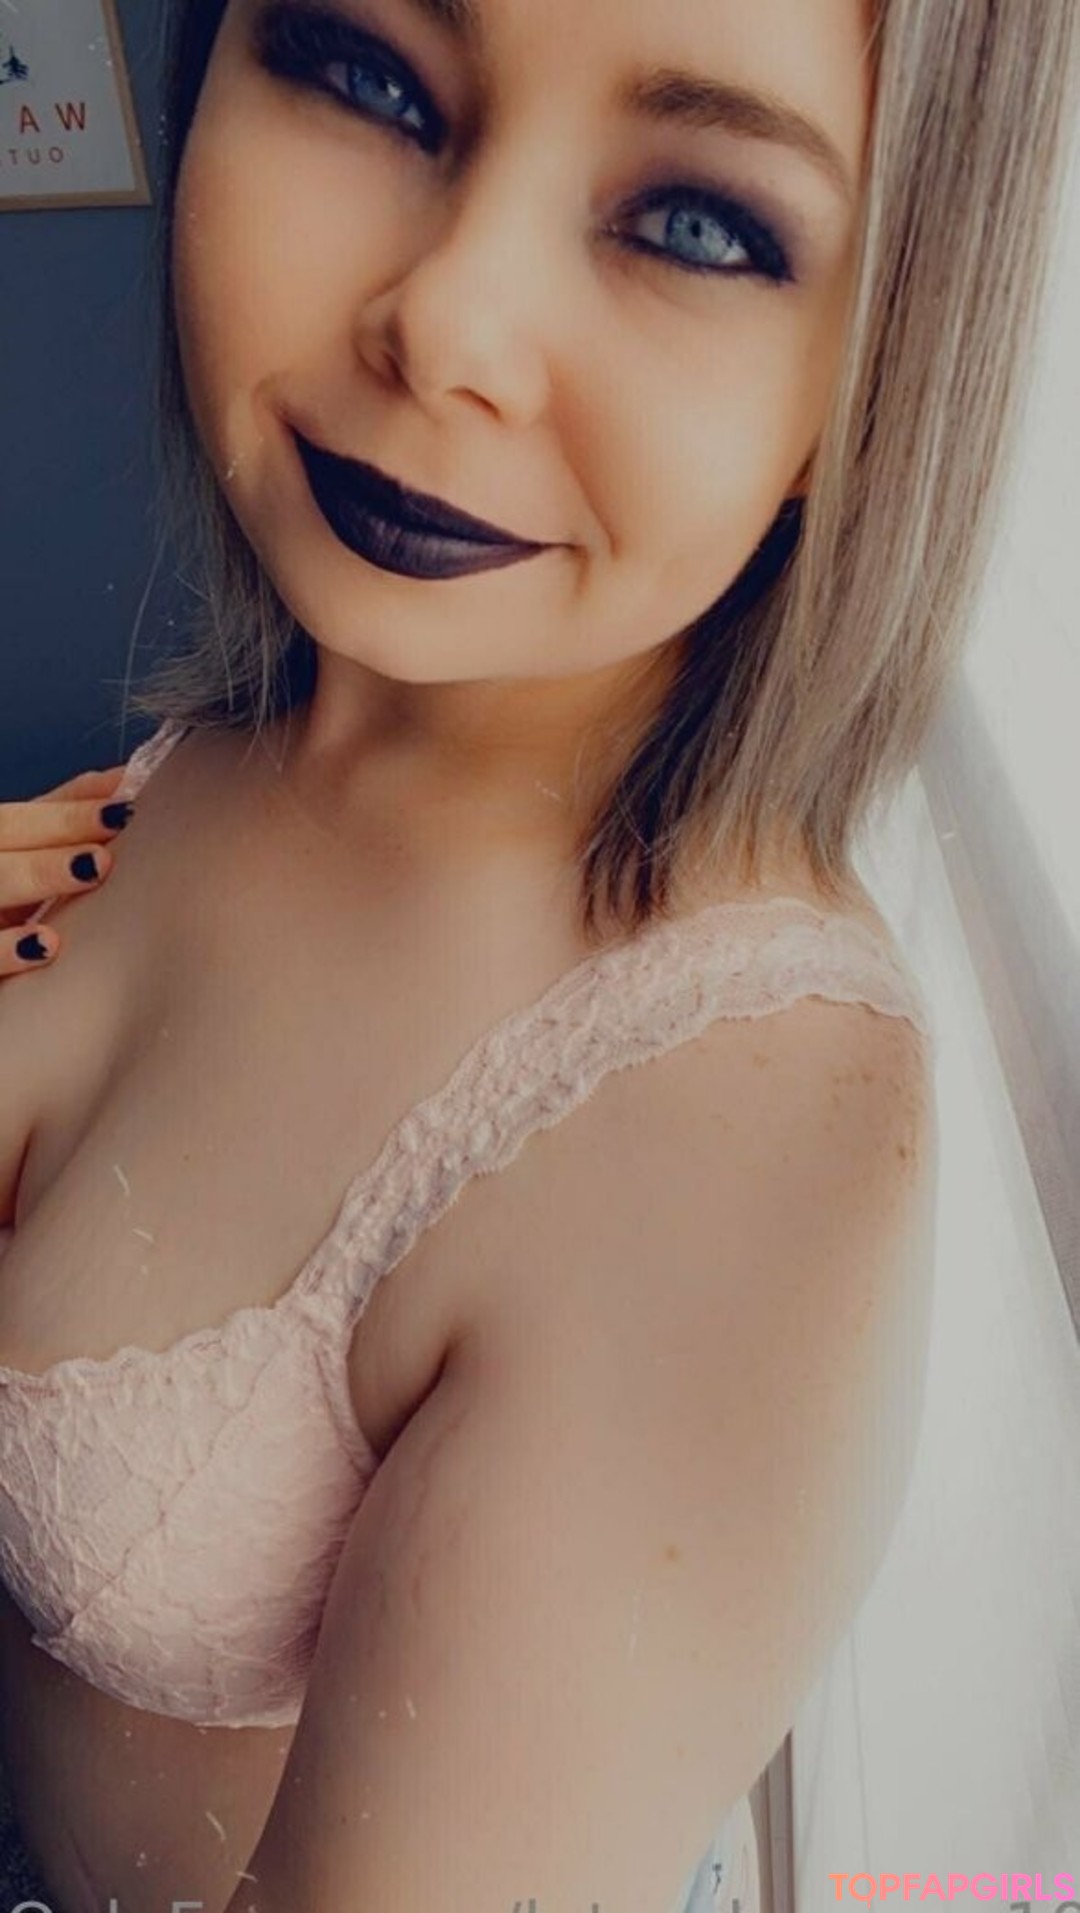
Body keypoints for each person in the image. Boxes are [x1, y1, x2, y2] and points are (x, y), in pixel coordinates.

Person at [1, 1, 1076, 1908]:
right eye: (367, 75)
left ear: (883, 352)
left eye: (699, 224)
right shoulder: (251, 739)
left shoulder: (735, 1119)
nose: (448, 325)